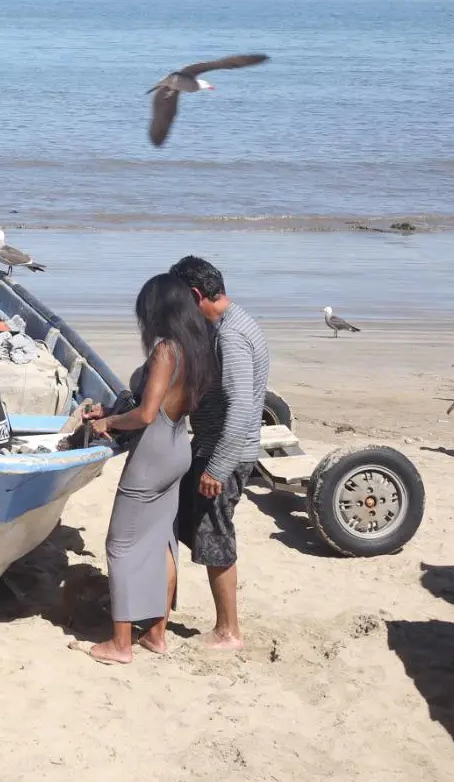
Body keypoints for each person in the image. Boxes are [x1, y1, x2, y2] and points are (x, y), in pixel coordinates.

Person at [81, 273, 217, 664]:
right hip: (178, 447)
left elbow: (145, 413)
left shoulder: (165, 351)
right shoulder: (196, 348)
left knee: (120, 546)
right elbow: (159, 405)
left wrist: (107, 423)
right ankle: (156, 633)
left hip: (152, 454)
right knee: (161, 542)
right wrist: (113, 410)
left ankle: (120, 644)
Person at [169, 255, 270, 651]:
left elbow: (244, 406)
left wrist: (218, 467)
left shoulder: (231, 336)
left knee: (216, 535)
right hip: (216, 448)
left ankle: (228, 630)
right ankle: (166, 606)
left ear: (196, 295)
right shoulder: (233, 323)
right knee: (195, 528)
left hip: (227, 454)